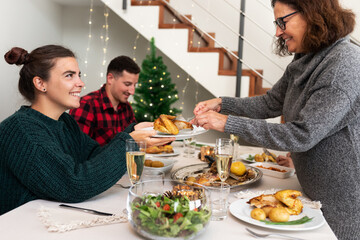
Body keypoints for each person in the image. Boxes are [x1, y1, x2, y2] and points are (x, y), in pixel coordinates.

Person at [191, 0, 360, 239]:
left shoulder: (343, 65)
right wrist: (222, 103)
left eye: (283, 21)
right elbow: (271, 103)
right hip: (313, 192)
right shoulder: (308, 56)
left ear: (313, 15)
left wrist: (225, 122)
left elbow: (300, 135)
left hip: (343, 203)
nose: (278, 31)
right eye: (276, 23)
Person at [0, 45, 174, 215]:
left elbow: (95, 155)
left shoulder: (64, 121)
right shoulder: (22, 130)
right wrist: (130, 141)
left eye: (79, 75)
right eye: (69, 76)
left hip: (49, 217)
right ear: (40, 83)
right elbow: (74, 184)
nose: (81, 83)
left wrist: (133, 131)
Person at [69, 56, 143, 146]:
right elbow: (78, 150)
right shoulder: (86, 105)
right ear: (110, 78)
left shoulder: (126, 107)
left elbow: (134, 142)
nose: (132, 91)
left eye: (134, 85)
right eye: (127, 84)